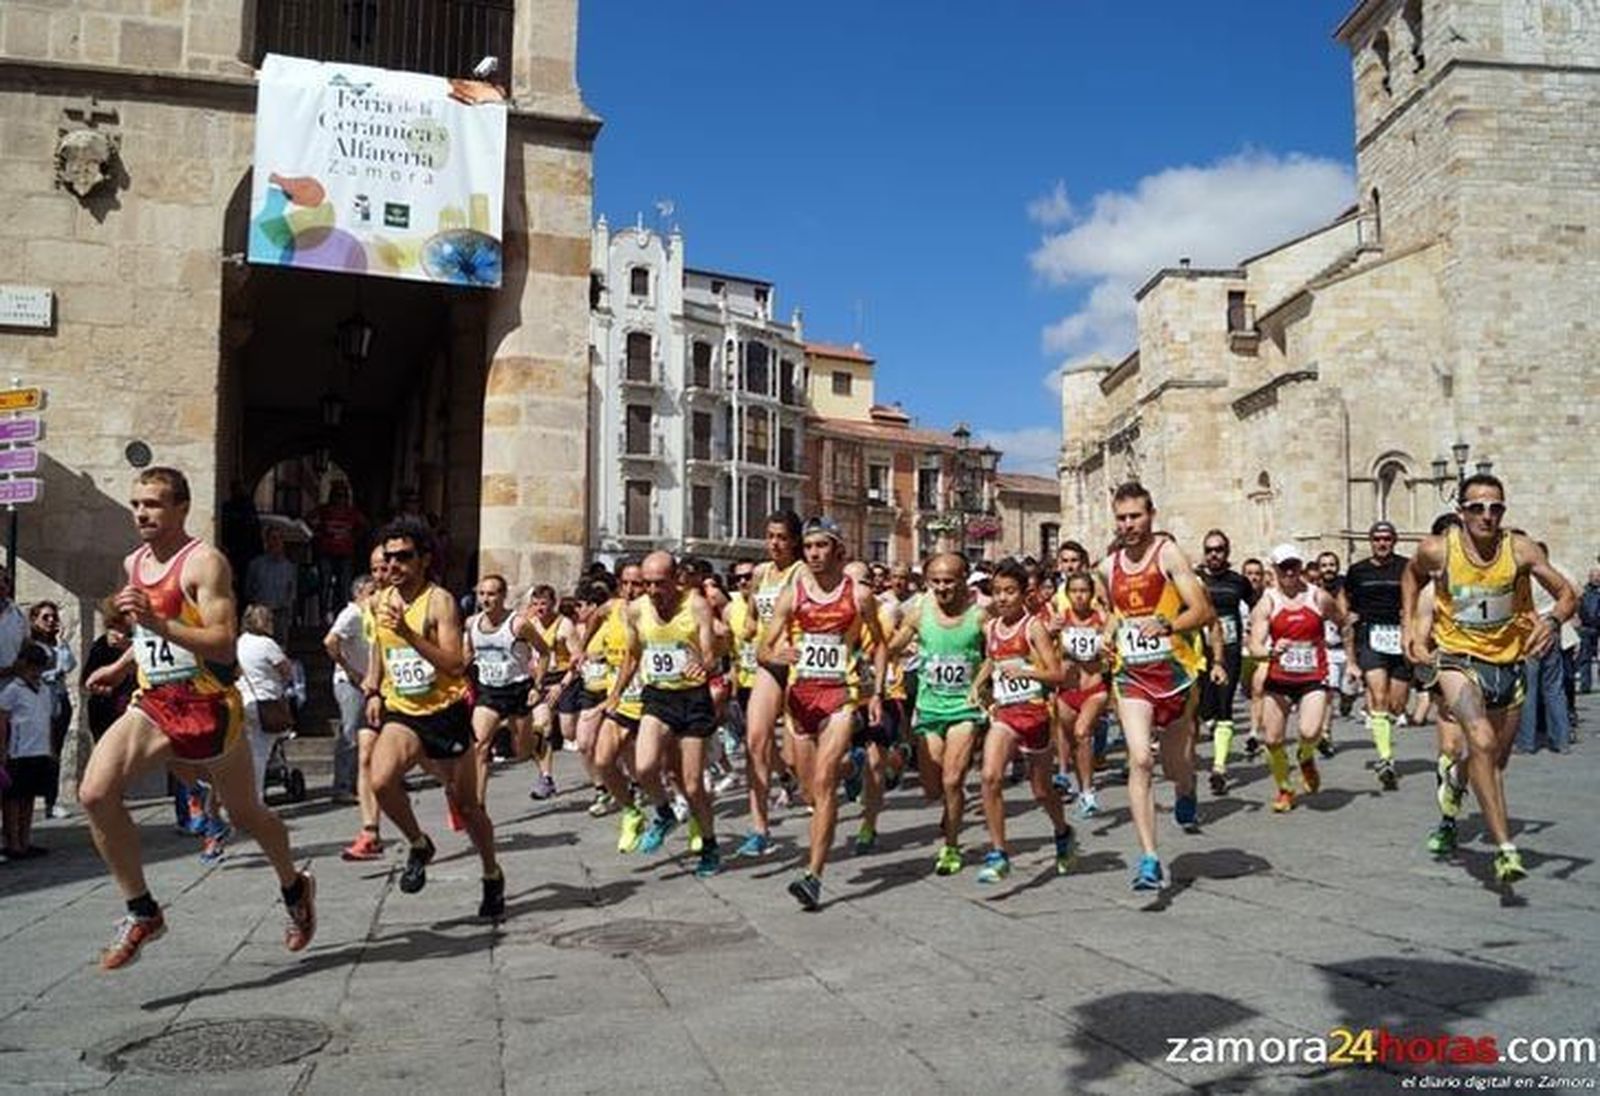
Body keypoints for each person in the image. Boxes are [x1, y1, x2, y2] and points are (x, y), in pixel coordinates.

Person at [79, 467, 315, 969]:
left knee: (245, 814)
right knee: (95, 794)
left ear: (182, 508)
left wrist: (158, 620)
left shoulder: (204, 563)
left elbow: (223, 641)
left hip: (207, 703)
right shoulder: (133, 562)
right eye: (137, 503)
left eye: (155, 504)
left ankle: (294, 886)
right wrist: (120, 666)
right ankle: (142, 910)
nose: (142, 512)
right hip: (154, 698)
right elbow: (147, 636)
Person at [1401, 475, 1576, 884]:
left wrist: (1551, 620)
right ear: (1461, 511)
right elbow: (1411, 576)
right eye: (1477, 507)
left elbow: (1568, 593)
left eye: (1496, 507)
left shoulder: (1519, 550)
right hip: (1458, 662)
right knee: (1479, 741)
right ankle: (1504, 848)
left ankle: (1452, 797)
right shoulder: (1438, 550)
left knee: (1493, 760)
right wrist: (1409, 626)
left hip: (1509, 666)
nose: (1487, 515)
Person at [362, 519, 503, 917]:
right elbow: (379, 646)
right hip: (403, 710)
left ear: (424, 560)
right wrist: (373, 687)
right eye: (389, 557)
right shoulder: (380, 600)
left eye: (404, 556)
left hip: (445, 712)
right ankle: (419, 843)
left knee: (467, 806)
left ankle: (491, 873)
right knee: (380, 779)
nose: (394, 564)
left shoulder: (439, 601)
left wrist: (409, 633)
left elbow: (455, 664)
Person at [762, 519, 886, 909]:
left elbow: (880, 646)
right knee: (807, 790)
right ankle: (854, 765)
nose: (813, 553)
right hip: (800, 698)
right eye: (809, 546)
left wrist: (877, 693)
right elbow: (763, 648)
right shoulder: (792, 594)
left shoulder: (859, 595)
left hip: (840, 695)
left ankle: (813, 875)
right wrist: (776, 654)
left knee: (825, 780)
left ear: (837, 549)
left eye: (821, 546)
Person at [1098, 482, 1214, 891]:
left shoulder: (1167, 553)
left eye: (1135, 516)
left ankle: (1187, 788)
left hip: (1174, 673)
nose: (1128, 524)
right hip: (1131, 676)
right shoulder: (1108, 566)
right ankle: (1149, 857)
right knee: (1140, 761)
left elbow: (1202, 609)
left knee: (1173, 765)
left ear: (1151, 515)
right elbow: (1115, 613)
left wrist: (1166, 624)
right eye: (1122, 517)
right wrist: (1106, 635)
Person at [613, 550, 722, 877]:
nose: (652, 590)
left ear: (676, 580)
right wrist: (616, 694)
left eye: (660, 583)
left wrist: (701, 663)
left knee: (691, 784)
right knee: (644, 768)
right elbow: (633, 657)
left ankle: (710, 843)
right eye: (647, 584)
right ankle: (663, 811)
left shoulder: (696, 605)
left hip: (692, 699)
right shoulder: (635, 611)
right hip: (658, 696)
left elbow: (710, 654)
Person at [973, 559, 1075, 883]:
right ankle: (999, 852)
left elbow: (1057, 673)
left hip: (1035, 715)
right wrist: (978, 685)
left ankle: (1062, 831)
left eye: (1010, 591)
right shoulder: (989, 627)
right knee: (990, 776)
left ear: (1023, 594)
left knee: (1041, 790)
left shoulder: (1033, 628)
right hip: (1005, 713)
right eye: (997, 592)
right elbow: (993, 659)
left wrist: (1027, 671)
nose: (1002, 598)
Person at [887, 552, 988, 876]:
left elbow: (996, 653)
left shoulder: (980, 617)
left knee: (952, 779)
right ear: (928, 583)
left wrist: (982, 683)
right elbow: (894, 644)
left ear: (963, 581)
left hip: (964, 709)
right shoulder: (919, 614)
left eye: (950, 581)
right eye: (937, 582)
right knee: (932, 790)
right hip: (929, 711)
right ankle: (947, 803)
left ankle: (951, 846)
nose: (943, 588)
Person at [1247, 545, 1344, 812]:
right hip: (1278, 677)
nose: (1289, 572)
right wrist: (1268, 651)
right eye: (1283, 567)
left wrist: (1352, 658)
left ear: (1301, 567)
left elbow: (1342, 621)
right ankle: (1285, 789)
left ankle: (1306, 756)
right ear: (1274, 570)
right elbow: (1254, 643)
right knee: (1273, 739)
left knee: (1310, 731)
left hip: (1313, 676)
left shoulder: (1318, 597)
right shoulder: (1267, 602)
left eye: (1294, 566)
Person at [730, 512, 804, 858]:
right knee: (754, 738)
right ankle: (759, 828)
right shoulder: (760, 573)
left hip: (800, 664)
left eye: (782, 537)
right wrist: (745, 632)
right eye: (770, 536)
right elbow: (751, 618)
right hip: (768, 662)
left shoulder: (801, 572)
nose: (775, 543)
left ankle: (803, 780)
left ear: (795, 541)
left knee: (806, 749)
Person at [1340, 521, 1411, 790]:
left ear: (1395, 540)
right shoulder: (1358, 571)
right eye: (1378, 539)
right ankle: (1385, 758)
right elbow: (1344, 598)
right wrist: (1346, 617)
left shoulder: (1407, 566)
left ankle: (1385, 738)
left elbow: (1417, 595)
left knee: (1396, 704)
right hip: (1371, 636)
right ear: (1371, 541)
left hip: (1400, 637)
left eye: (1387, 538)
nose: (1382, 543)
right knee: (1378, 696)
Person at [464, 574, 543, 804]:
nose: (485, 599)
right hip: (489, 691)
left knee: (523, 751)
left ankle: (536, 738)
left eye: (491, 594)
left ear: (503, 596)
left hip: (518, 690)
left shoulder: (518, 624)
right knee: (479, 746)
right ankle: (479, 804)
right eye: (481, 594)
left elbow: (544, 651)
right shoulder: (472, 624)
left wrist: (537, 685)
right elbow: (467, 654)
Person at [1196, 531, 1255, 794]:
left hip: (1229, 650)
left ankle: (1219, 767)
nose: (1214, 554)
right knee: (1205, 707)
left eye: (1219, 549)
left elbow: (1258, 608)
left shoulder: (1238, 582)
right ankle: (1210, 726)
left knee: (1224, 704)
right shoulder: (1195, 579)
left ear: (1227, 552)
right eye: (1209, 550)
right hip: (1199, 651)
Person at [1054, 572, 1109, 817]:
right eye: (1074, 591)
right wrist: (1048, 631)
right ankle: (1075, 781)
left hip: (1093, 689)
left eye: (1084, 591)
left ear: (1092, 594)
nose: (1079, 595)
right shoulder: (1060, 620)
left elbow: (1113, 646)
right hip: (1067, 691)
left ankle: (1088, 792)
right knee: (1072, 742)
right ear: (1067, 594)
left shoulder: (1102, 619)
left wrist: (1109, 648)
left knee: (1082, 732)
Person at [1514, 543, 1576, 754]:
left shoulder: (1524, 576)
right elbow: (1573, 595)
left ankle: (1526, 742)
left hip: (1530, 633)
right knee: (1554, 688)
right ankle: (1562, 740)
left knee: (1528, 689)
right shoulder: (1558, 572)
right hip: (1553, 629)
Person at [325, 572, 376, 806]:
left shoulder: (368, 616)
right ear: (359, 593)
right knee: (350, 734)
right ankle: (342, 786)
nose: (375, 597)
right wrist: (348, 668)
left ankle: (364, 781)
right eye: (371, 593)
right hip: (350, 683)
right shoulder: (351, 614)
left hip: (367, 681)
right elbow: (330, 641)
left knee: (369, 733)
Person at [1, 643, 56, 858]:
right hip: (18, 751)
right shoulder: (12, 690)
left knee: (30, 797)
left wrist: (50, 747)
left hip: (39, 749)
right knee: (13, 798)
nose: (35, 672)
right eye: (31, 667)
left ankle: (25, 840)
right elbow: (3, 720)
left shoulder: (44, 690)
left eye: (39, 668)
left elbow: (47, 719)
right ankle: (12, 842)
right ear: (22, 666)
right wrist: (3, 748)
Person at [237, 605, 295, 800]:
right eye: (269, 620)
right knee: (260, 754)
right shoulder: (267, 645)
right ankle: (256, 800)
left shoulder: (240, 642)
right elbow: (286, 670)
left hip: (243, 700)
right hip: (266, 701)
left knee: (247, 752)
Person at [29, 601, 76, 818]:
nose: (50, 622)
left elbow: (68, 666)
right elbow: (34, 672)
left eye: (53, 617)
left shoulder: (57, 646)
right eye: (45, 618)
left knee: (55, 751)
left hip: (58, 701)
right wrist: (51, 673)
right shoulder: (29, 645)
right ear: (34, 620)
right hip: (37, 703)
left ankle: (51, 800)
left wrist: (61, 642)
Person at [310, 481, 368, 623]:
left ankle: (341, 616)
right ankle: (323, 616)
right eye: (337, 495)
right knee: (325, 584)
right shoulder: (324, 510)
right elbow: (309, 518)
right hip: (327, 552)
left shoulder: (351, 512)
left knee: (344, 586)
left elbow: (365, 525)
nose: (340, 499)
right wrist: (317, 534)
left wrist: (354, 538)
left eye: (342, 496)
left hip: (345, 553)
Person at [81, 598, 135, 746]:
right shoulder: (101, 645)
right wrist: (104, 688)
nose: (116, 633)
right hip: (106, 711)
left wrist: (128, 648)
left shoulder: (140, 644)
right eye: (112, 626)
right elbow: (87, 680)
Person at [244, 527, 298, 649]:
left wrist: (287, 607)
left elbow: (292, 590)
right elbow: (249, 589)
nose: (276, 542)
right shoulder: (256, 565)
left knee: (280, 647)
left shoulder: (289, 567)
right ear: (266, 541)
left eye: (279, 538)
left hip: (281, 613)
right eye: (273, 538)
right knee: (260, 646)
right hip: (261, 614)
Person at [1577, 568, 1600, 695]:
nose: (1597, 578)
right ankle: (1585, 686)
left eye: (1598, 576)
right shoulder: (1583, 592)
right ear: (1589, 577)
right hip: (1586, 628)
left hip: (1597, 627)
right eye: (1594, 576)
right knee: (1585, 658)